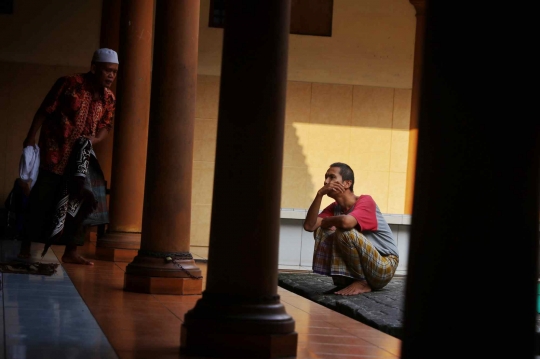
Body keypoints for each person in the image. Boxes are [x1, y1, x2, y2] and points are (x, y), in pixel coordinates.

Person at [18, 48, 119, 265]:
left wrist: (95, 140)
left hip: (80, 159)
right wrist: (30, 137)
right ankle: (26, 245)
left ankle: (71, 250)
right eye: (107, 70)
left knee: (81, 199)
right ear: (94, 68)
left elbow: (106, 126)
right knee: (42, 198)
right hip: (55, 151)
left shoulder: (109, 97)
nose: (111, 75)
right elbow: (45, 110)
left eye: (114, 72)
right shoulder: (69, 83)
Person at [303, 162, 399, 296]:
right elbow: (309, 226)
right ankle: (344, 282)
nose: (326, 182)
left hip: (385, 265)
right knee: (321, 231)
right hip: (366, 267)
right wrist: (319, 194)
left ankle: (363, 282)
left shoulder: (365, 201)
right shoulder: (335, 207)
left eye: (331, 177)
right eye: (325, 177)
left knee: (344, 232)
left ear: (347, 184)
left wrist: (327, 221)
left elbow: (346, 222)